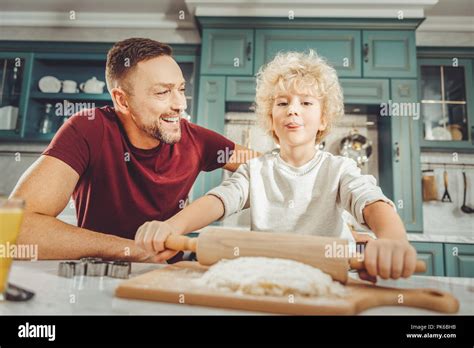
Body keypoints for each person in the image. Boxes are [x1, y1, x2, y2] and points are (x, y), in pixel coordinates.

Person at [135, 50, 418, 281]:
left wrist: (393, 238)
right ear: (271, 118)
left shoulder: (339, 169)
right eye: (283, 103)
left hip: (329, 282)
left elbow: (370, 201)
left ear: (323, 119)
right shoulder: (255, 169)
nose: (293, 109)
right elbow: (219, 200)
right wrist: (171, 226)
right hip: (269, 281)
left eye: (306, 102)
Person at [10, 38, 256, 263]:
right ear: (122, 100)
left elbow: (268, 168)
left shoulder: (197, 139)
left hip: (166, 278)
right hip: (97, 277)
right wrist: (133, 250)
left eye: (181, 89)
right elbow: (16, 228)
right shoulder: (88, 129)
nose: (180, 104)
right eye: (163, 92)